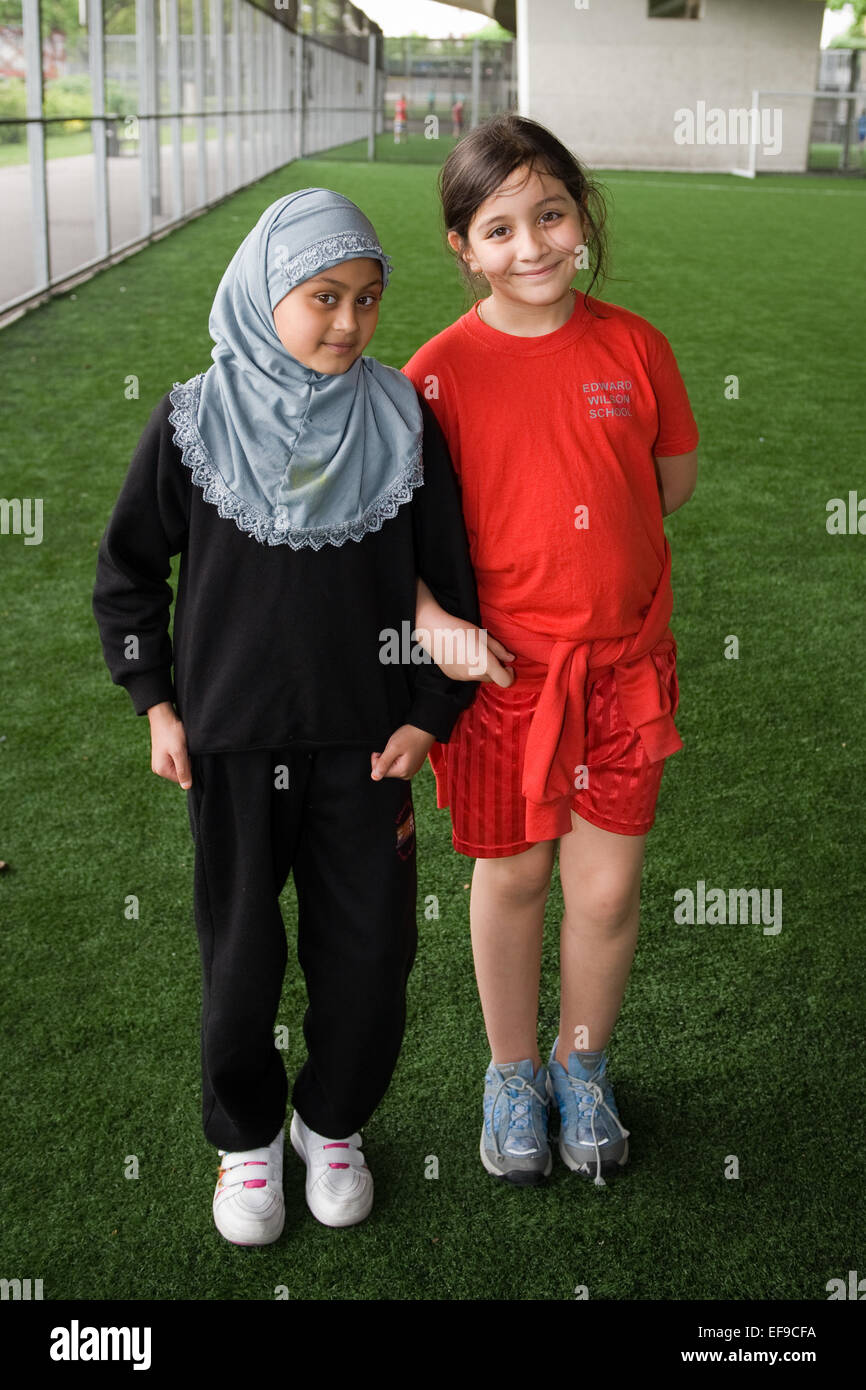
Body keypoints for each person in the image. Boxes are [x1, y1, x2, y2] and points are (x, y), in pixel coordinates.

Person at [92, 188, 501, 1246]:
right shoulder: (192, 418)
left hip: (367, 754)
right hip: (228, 747)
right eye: (322, 297)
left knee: (369, 956)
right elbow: (129, 575)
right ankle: (244, 1142)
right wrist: (155, 703)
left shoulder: (401, 418)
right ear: (263, 293)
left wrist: (428, 713)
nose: (349, 323)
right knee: (239, 960)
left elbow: (442, 582)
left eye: (367, 299)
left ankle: (330, 1124)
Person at [404, 114, 700, 1188]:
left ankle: (584, 1064)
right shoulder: (432, 373)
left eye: (549, 216)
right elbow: (394, 536)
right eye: (498, 228)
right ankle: (512, 1071)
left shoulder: (634, 347)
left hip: (621, 671)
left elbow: (665, 487)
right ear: (462, 248)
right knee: (513, 874)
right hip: (501, 684)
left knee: (607, 890)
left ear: (579, 218)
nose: (529, 246)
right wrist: (435, 617)